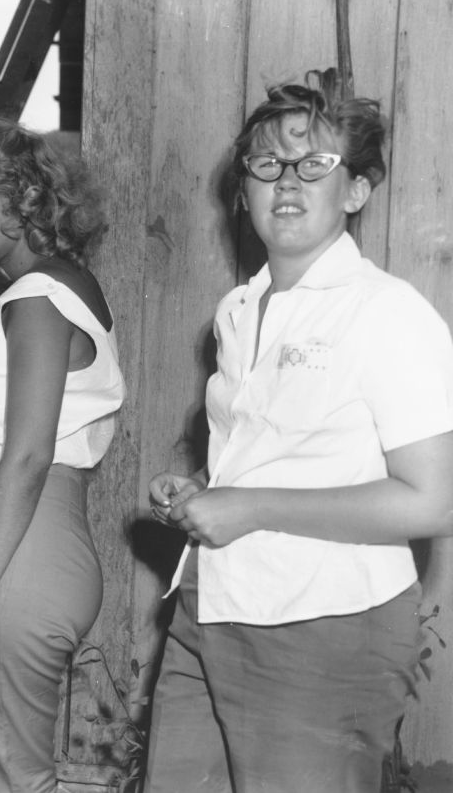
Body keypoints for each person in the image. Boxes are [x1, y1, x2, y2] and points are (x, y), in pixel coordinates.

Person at [145, 71, 453, 793]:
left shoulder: (386, 312)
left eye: (314, 165)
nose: (287, 183)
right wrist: (203, 493)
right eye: (267, 165)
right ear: (242, 187)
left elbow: (433, 502)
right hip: (212, 605)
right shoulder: (238, 309)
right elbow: (285, 458)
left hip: (324, 625)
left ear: (355, 191)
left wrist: (251, 507)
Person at [0, 117, 125, 793]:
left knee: (7, 779)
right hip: (6, 551)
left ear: (25, 202)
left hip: (18, 557)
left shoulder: (40, 299)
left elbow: (29, 455)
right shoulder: (36, 292)